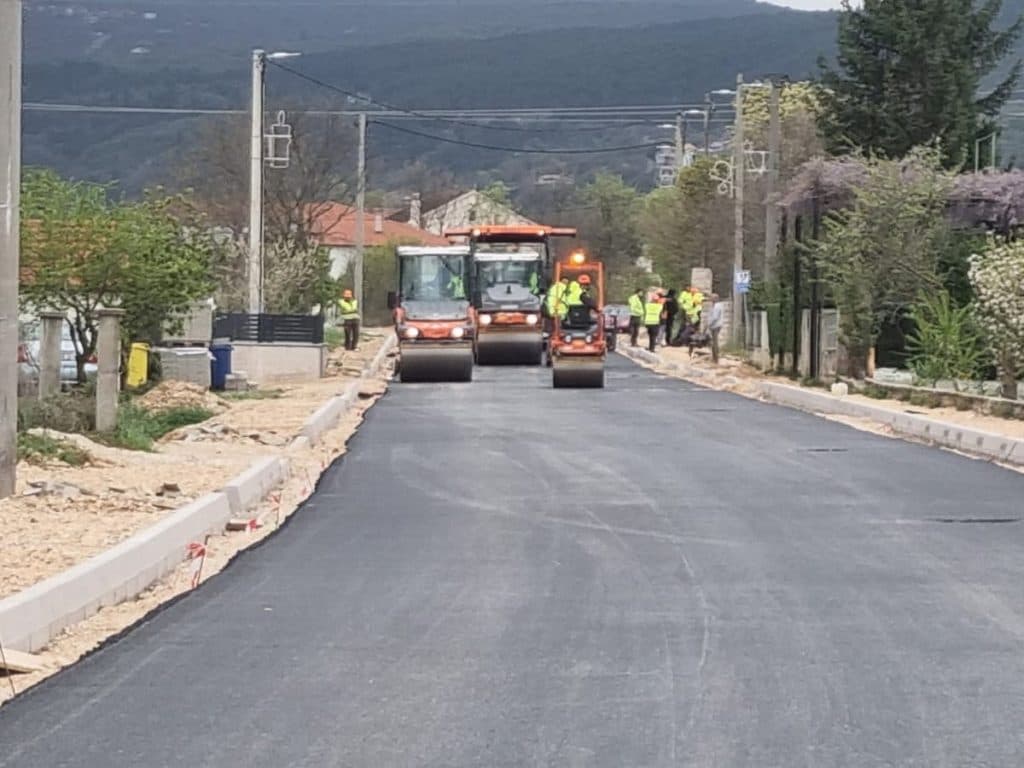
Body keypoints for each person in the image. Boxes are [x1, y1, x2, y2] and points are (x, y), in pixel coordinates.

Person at [707, 292, 724, 363]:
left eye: (711, 298)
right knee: (714, 342)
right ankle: (714, 357)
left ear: (715, 299)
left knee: (715, 342)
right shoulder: (716, 305)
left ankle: (715, 358)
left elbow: (715, 317)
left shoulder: (717, 306)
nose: (710, 299)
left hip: (715, 326)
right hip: (715, 325)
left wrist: (709, 324)